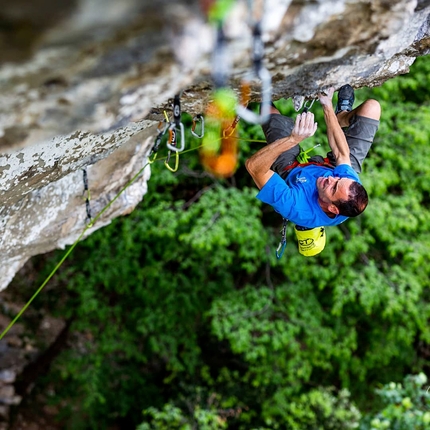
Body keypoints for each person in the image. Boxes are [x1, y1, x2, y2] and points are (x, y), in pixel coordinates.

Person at [245, 85, 381, 254]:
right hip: (330, 165)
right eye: (338, 180)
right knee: (371, 108)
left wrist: (292, 140)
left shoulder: (297, 208)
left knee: (271, 118)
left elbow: (254, 167)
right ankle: (341, 117)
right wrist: (327, 105)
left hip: (293, 170)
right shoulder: (349, 189)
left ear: (332, 209)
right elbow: (341, 154)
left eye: (333, 187)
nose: (331, 179)